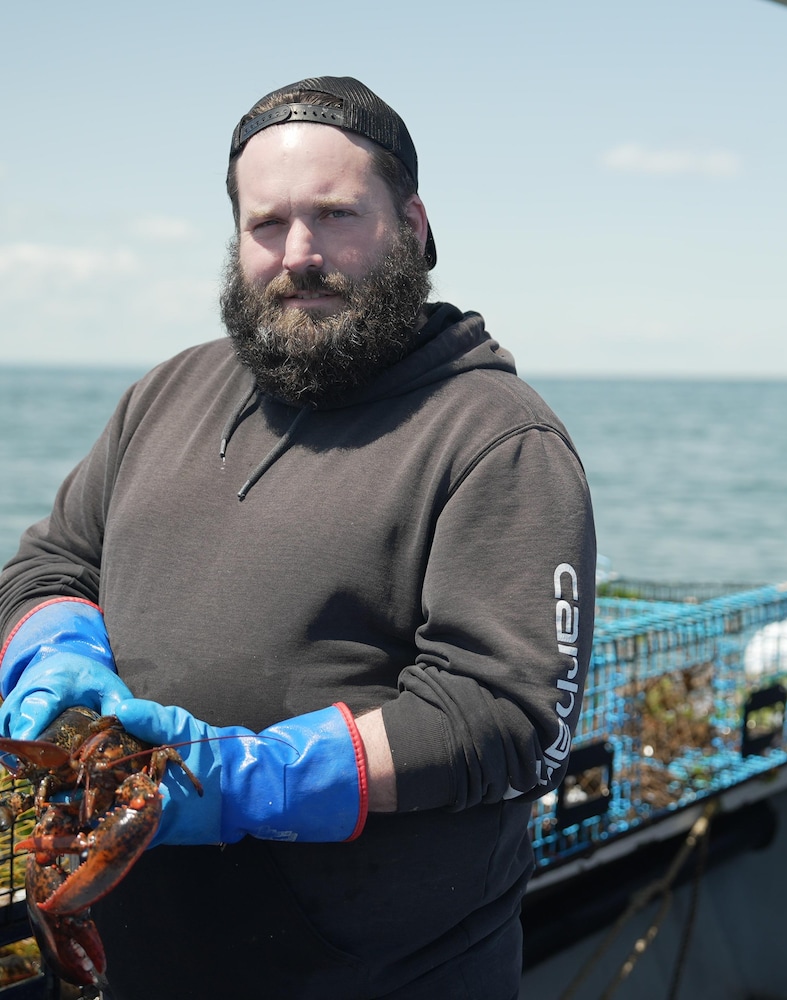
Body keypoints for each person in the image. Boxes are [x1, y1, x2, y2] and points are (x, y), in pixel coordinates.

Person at [0, 76, 596, 999]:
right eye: (266, 224)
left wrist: (259, 780)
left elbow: (513, 720)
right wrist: (53, 651)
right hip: (130, 944)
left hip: (372, 973)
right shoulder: (167, 394)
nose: (300, 254)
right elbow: (51, 559)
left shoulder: (494, 437)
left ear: (413, 223)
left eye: (337, 215)